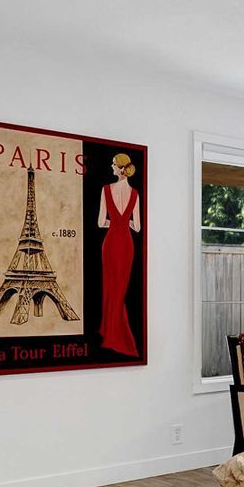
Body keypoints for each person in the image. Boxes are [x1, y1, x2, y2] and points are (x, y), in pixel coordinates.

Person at [97, 152, 142, 356]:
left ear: (121, 168)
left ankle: (109, 331)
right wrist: (126, 223)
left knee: (111, 286)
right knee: (119, 289)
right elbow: (138, 228)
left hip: (111, 242)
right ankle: (112, 331)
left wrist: (114, 223)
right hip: (126, 244)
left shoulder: (106, 190)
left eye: (113, 164)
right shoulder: (135, 194)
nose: (111, 166)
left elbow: (100, 223)